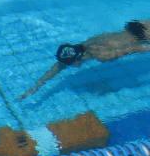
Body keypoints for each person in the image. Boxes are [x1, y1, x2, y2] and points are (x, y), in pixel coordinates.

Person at [19, 20, 150, 100]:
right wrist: (35, 87)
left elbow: (134, 48)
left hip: (142, 36)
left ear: (76, 61)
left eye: (70, 64)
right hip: (136, 26)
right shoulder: (82, 46)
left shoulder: (102, 55)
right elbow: (57, 67)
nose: (68, 66)